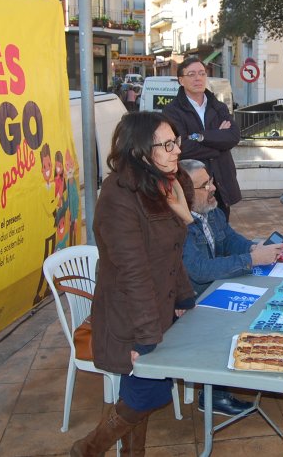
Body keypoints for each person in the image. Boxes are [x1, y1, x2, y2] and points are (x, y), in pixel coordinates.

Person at [71, 112, 196, 457]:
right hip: (132, 315)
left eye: (177, 142)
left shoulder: (162, 187)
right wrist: (145, 334)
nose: (176, 151)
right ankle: (87, 449)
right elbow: (133, 272)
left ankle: (129, 454)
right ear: (140, 151)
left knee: (141, 391)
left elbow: (170, 252)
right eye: (167, 145)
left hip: (159, 308)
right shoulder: (118, 197)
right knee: (148, 394)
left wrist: (184, 296)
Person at [179, 159, 283, 416]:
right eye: (205, 185)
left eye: (211, 180)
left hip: (214, 288)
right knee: (237, 319)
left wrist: (252, 248)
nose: (213, 188)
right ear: (185, 194)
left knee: (266, 301)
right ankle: (214, 394)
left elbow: (230, 239)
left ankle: (251, 368)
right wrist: (250, 260)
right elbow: (199, 270)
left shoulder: (210, 211)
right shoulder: (179, 225)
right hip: (190, 300)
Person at [163, 57, 242, 220]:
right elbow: (183, 147)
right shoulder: (172, 111)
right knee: (195, 232)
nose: (198, 78)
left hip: (220, 182)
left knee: (222, 230)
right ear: (181, 80)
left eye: (201, 73)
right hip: (193, 184)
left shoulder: (218, 106)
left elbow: (233, 136)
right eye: (191, 74)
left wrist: (200, 136)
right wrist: (219, 142)